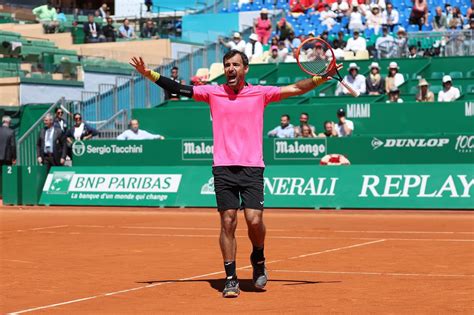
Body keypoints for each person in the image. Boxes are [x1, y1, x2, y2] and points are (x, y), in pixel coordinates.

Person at [129, 50, 340, 298]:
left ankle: (258, 256)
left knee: (254, 220)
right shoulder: (213, 92)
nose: (230, 68)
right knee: (228, 221)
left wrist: (321, 78)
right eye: (227, 65)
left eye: (236, 65)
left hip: (252, 167)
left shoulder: (261, 93)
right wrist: (149, 74)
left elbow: (295, 88)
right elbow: (179, 88)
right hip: (223, 167)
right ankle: (231, 278)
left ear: (245, 69)